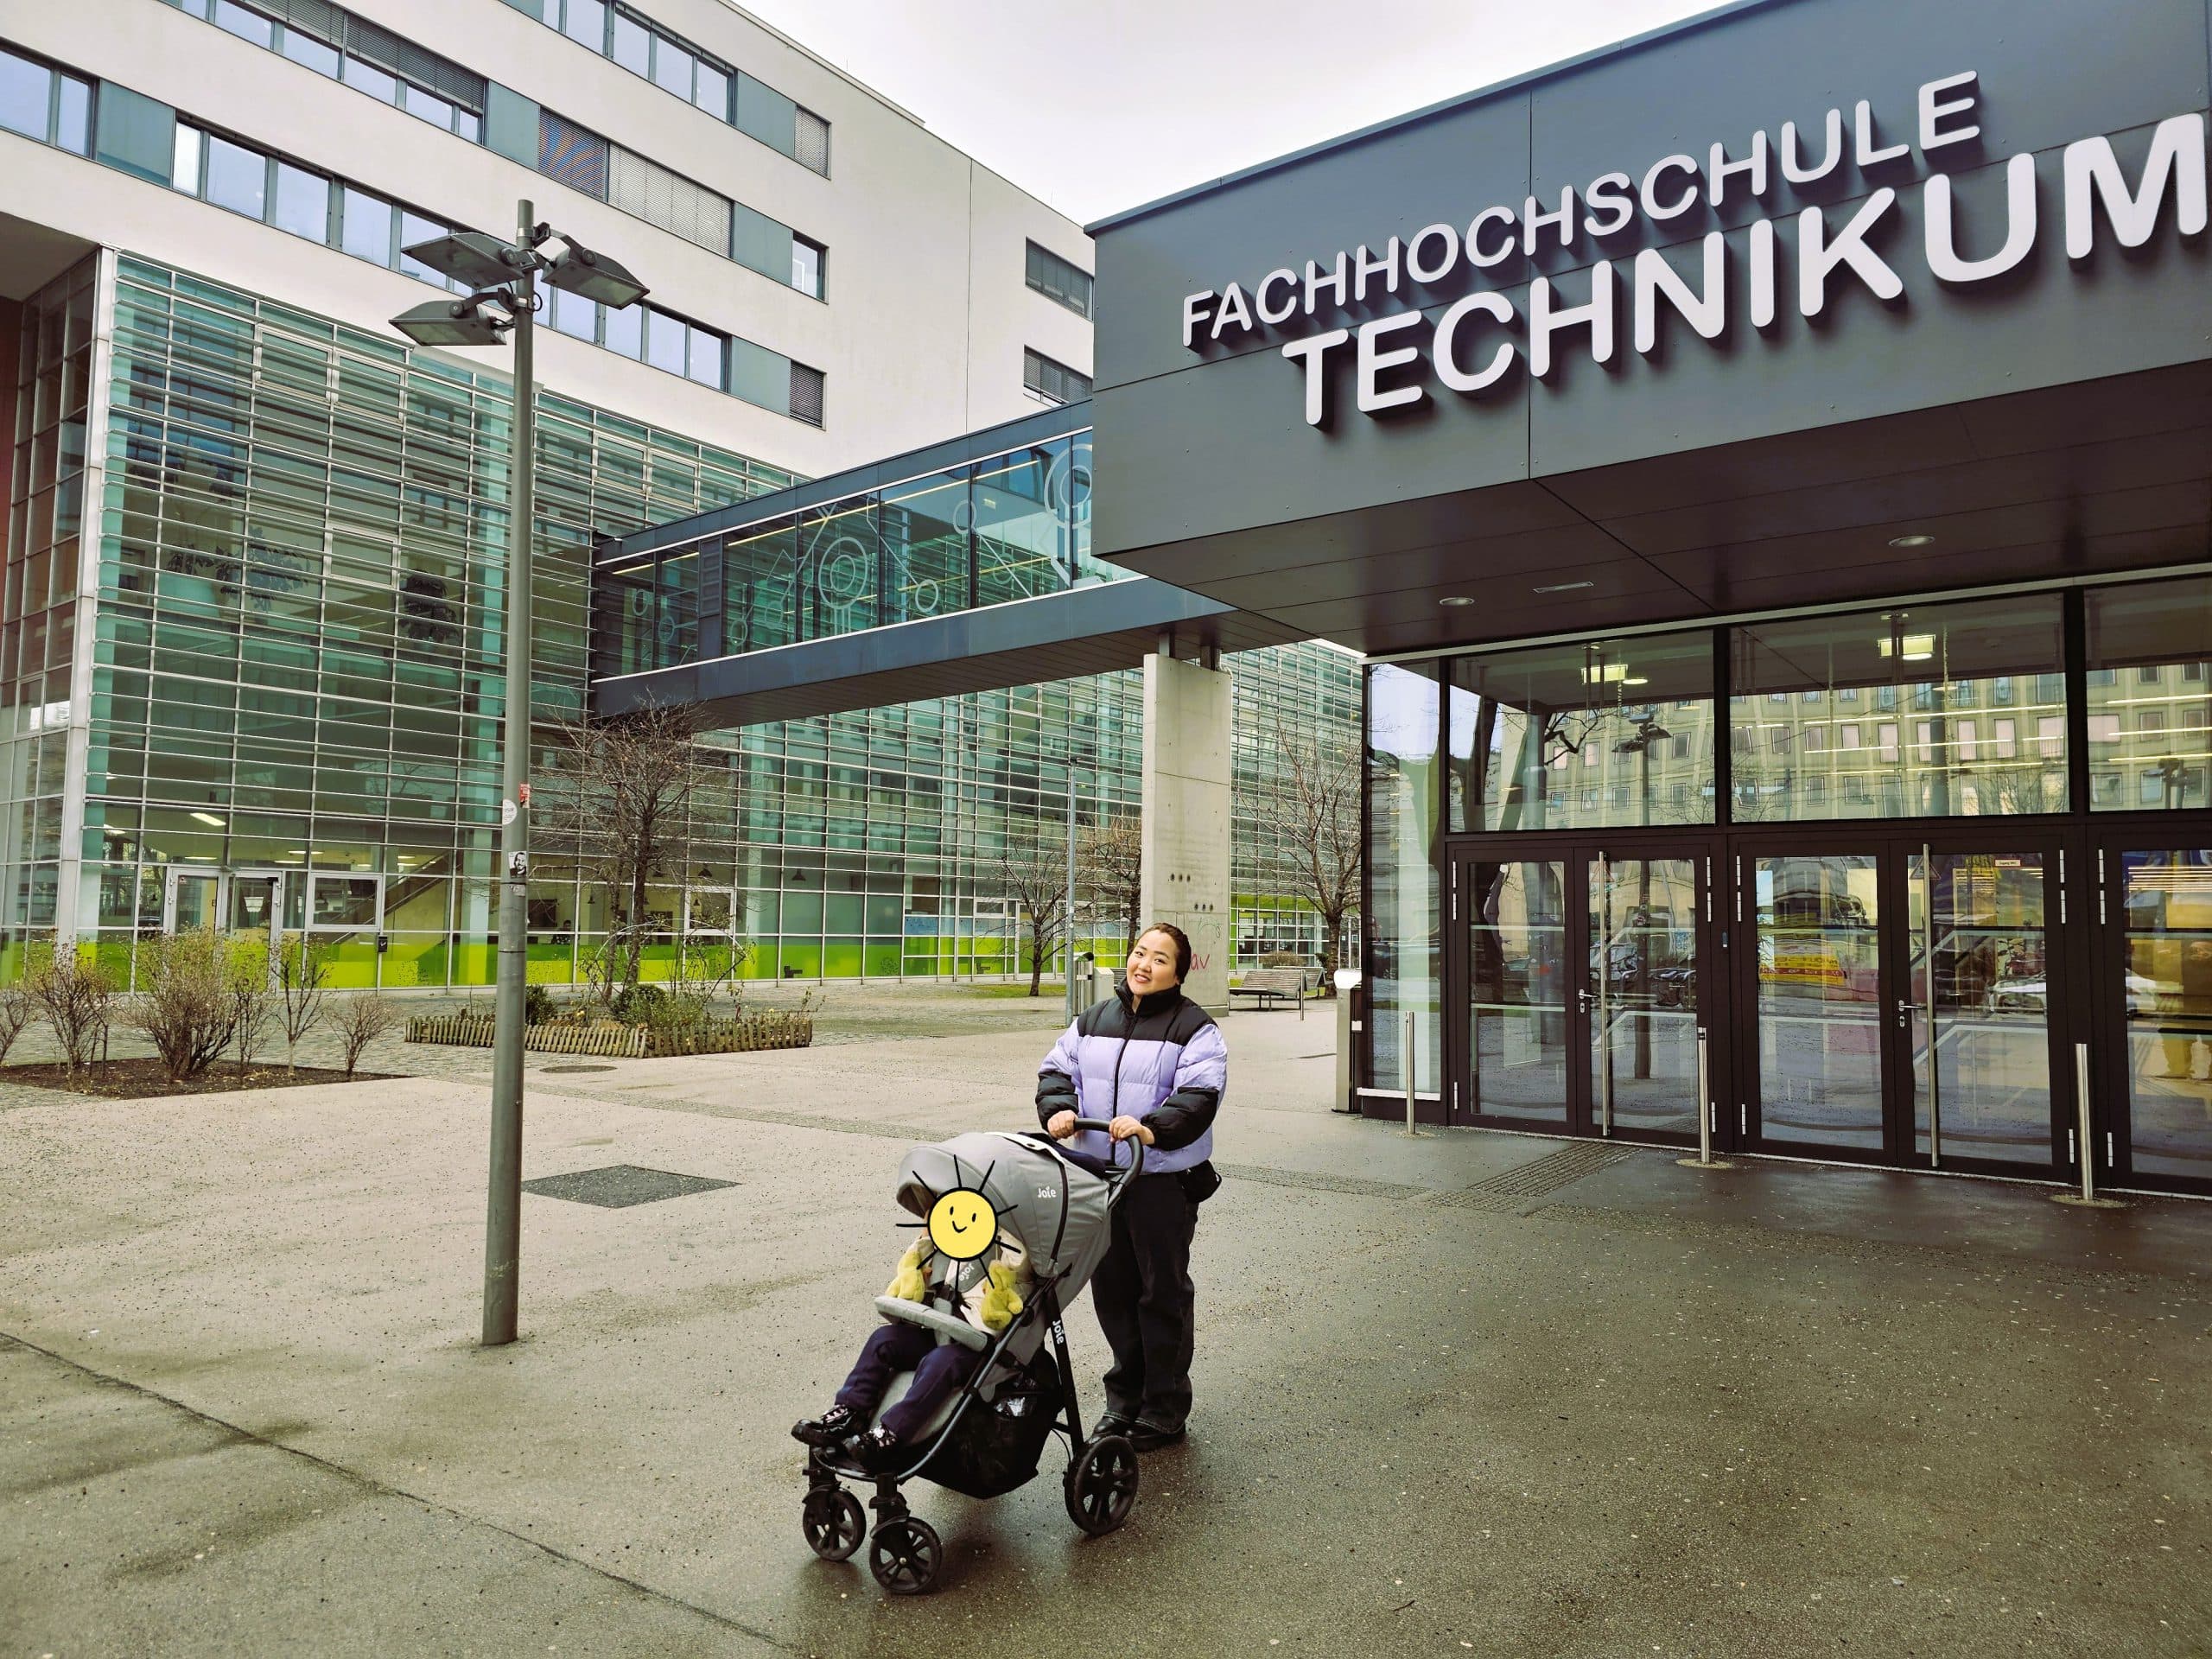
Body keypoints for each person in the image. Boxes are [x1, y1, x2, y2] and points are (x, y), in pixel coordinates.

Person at [1038, 923, 1225, 1451]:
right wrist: (1059, 1110)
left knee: (1159, 1291)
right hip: (1100, 1177)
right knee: (1113, 1291)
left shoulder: (1196, 1030)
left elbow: (1199, 1097)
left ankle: (1164, 1407)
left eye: (1160, 959)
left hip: (1160, 1181)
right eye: (1140, 953)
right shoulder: (1093, 1019)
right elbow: (1057, 1069)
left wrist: (1151, 1127)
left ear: (1179, 971)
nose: (1144, 965)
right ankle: (1124, 1400)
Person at [791, 1235, 1031, 1469]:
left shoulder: (1007, 1247)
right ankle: (850, 1412)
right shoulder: (957, 1238)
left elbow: (1020, 1263)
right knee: (884, 1339)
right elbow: (919, 1265)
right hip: (943, 1330)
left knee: (940, 1362)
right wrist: (931, 1233)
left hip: (981, 1348)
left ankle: (892, 1433)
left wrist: (1002, 1227)